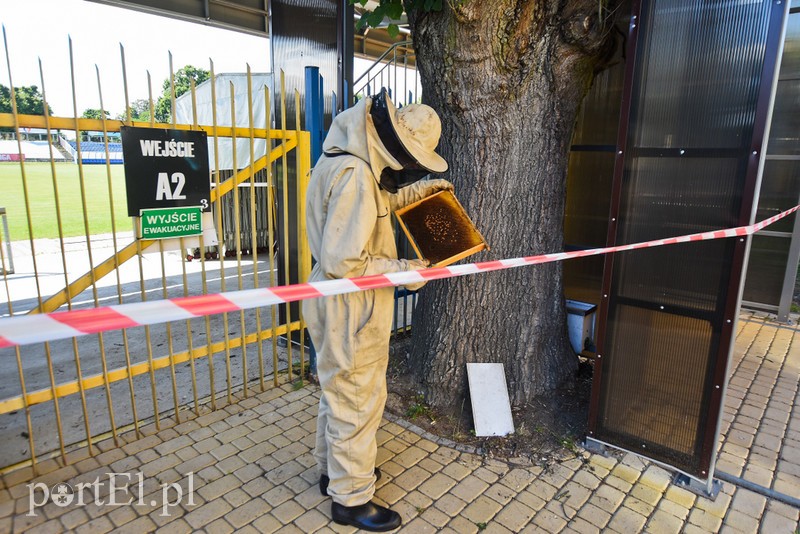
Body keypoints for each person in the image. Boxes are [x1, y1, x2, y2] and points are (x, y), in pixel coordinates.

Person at [303, 89, 452, 532]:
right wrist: (407, 269)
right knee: (357, 399)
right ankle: (351, 500)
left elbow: (379, 207)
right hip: (351, 304)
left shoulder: (346, 160)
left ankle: (334, 473)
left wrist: (422, 191)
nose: (407, 167)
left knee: (338, 391)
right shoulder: (356, 176)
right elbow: (345, 262)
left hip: (336, 300)